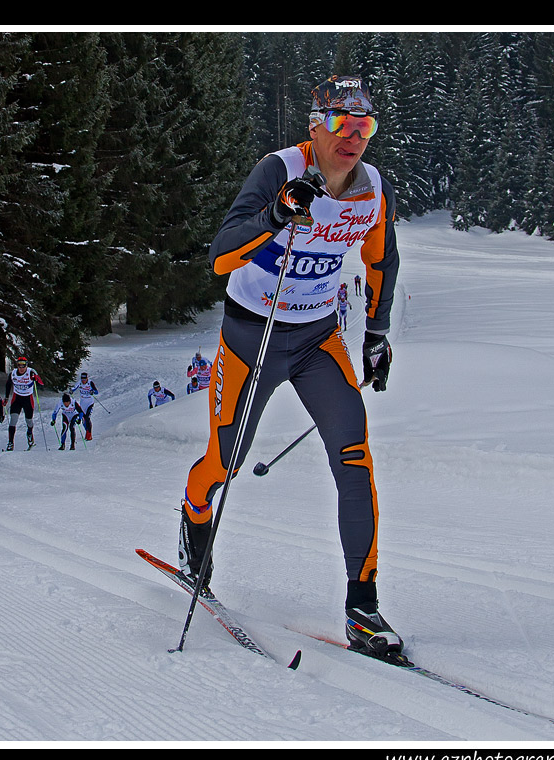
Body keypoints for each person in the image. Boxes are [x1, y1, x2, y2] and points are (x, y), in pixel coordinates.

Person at [177, 75, 401, 657]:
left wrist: (376, 335)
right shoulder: (278, 170)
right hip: (252, 335)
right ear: (315, 125)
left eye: (364, 127)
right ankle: (193, 516)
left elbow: (382, 261)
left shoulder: (373, 189)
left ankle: (364, 609)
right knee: (225, 460)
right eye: (340, 124)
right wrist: (276, 214)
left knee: (355, 456)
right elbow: (221, 254)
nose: (352, 137)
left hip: (315, 339)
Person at [4, 355, 45, 450]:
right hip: (17, 398)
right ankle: (10, 443)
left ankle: (30, 434)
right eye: (19, 366)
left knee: (28, 420)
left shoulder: (30, 371)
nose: (21, 368)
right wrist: (6, 397)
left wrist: (35, 378)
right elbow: (8, 385)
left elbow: (41, 383)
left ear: (26, 365)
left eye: (23, 366)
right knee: (13, 420)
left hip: (28, 399)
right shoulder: (13, 373)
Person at [69, 371, 99, 440]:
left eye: (84, 379)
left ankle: (89, 435)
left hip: (89, 403)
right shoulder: (79, 382)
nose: (83, 381)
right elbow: (74, 388)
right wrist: (71, 391)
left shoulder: (90, 383)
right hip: (83, 404)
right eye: (82, 379)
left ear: (87, 378)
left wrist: (92, 392)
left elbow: (96, 392)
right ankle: (87, 431)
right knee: (83, 419)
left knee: (87, 417)